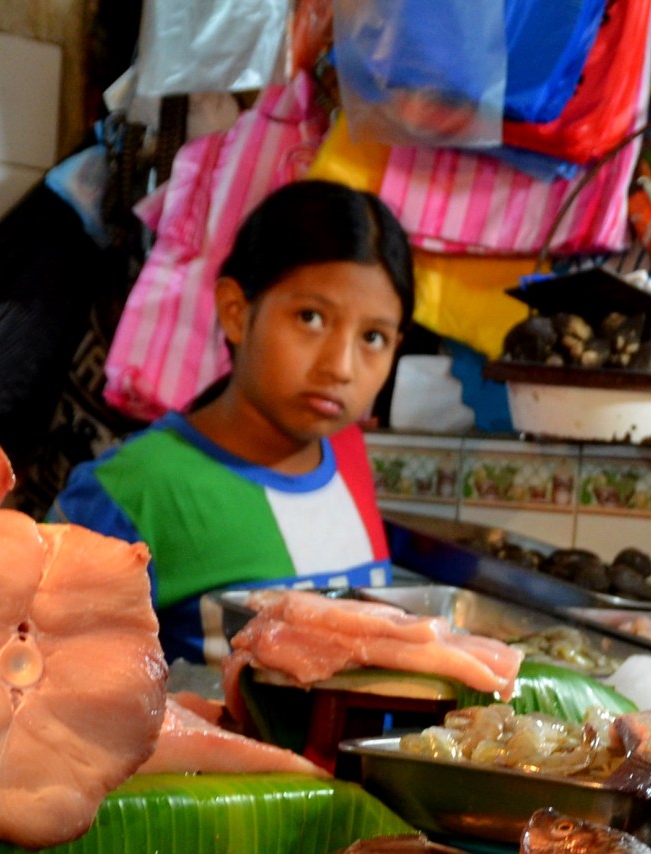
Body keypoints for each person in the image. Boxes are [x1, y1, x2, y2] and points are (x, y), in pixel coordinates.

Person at [48, 179, 415, 664]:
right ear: (237, 312)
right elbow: (42, 674)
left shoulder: (348, 452)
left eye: (373, 338)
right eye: (310, 318)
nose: (341, 368)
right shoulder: (130, 491)